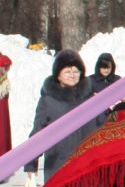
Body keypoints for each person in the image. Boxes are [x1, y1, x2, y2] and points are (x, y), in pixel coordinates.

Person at [29, 49, 96, 180]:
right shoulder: (48, 101)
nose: (72, 75)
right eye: (67, 71)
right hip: (58, 166)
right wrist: (31, 163)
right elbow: (38, 132)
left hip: (87, 166)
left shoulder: (91, 99)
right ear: (58, 75)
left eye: (76, 71)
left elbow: (104, 127)